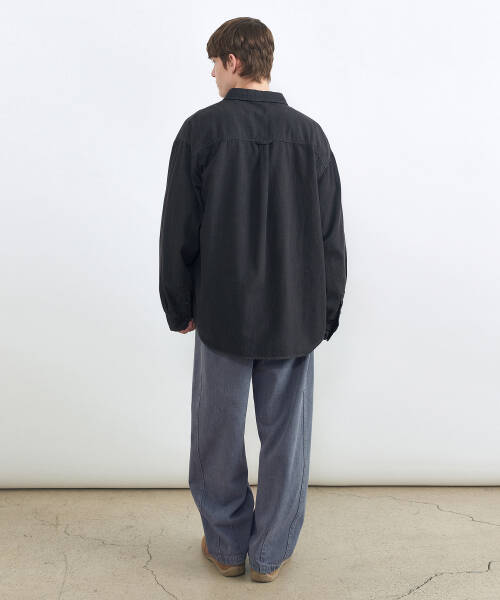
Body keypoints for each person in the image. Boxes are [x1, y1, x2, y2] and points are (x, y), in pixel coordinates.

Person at [159, 17, 347, 583]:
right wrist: (326, 311)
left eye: (215, 66)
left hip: (222, 313)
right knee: (287, 439)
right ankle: (269, 554)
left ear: (233, 62)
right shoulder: (310, 136)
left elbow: (178, 229)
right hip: (294, 314)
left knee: (216, 433)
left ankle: (226, 546)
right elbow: (331, 236)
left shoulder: (201, 131)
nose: (214, 77)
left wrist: (179, 305)